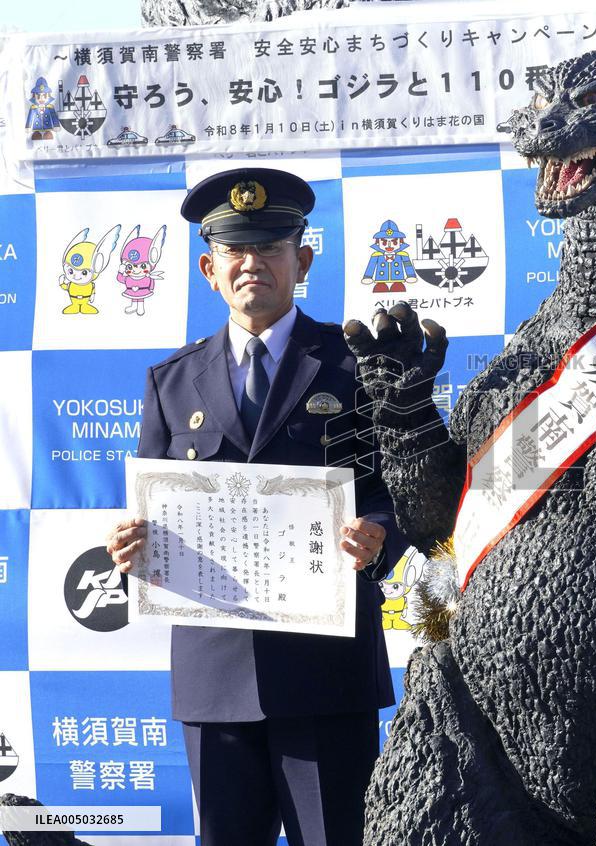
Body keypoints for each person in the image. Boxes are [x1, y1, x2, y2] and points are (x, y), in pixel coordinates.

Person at [105, 167, 405, 846]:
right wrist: (129, 550)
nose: (253, 265)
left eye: (271, 247)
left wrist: (380, 533)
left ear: (302, 260)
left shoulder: (356, 366)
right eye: (236, 251)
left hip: (327, 675)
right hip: (215, 681)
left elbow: (400, 492)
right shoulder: (170, 382)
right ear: (210, 268)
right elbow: (149, 521)